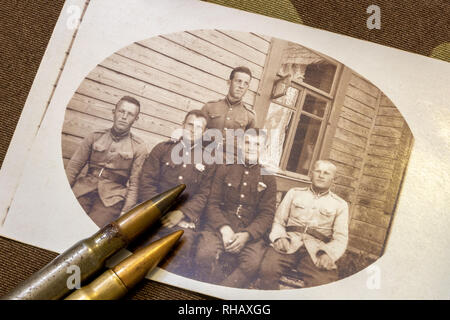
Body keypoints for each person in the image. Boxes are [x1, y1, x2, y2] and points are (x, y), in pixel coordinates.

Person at [194, 129, 277, 288]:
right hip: (218, 227)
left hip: (249, 232)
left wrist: (247, 234)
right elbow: (212, 202)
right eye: (247, 142)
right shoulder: (225, 167)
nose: (251, 147)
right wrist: (224, 228)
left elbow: (267, 213)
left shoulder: (268, 177)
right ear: (240, 144)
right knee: (205, 254)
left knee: (252, 263)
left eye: (257, 144)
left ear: (264, 148)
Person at [138, 109, 215, 277]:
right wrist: (160, 210)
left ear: (205, 133)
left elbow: (203, 194)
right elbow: (146, 182)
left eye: (199, 127)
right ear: (182, 126)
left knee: (183, 245)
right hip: (153, 213)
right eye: (190, 125)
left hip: (182, 220)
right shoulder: (163, 149)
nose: (193, 130)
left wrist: (181, 214)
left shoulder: (207, 160)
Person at [258, 160, 349, 289]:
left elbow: (340, 237)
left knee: (322, 283)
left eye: (326, 173)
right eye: (318, 171)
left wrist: (328, 254)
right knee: (267, 269)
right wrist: (279, 237)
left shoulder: (340, 205)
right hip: (289, 243)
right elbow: (278, 221)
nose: (321, 175)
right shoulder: (294, 193)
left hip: (316, 251)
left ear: (333, 179)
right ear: (311, 174)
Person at [66, 96, 147, 227]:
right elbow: (74, 165)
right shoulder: (95, 136)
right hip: (83, 189)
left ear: (135, 119)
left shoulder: (139, 147)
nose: (124, 117)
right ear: (114, 112)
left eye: (130, 114)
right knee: (67, 220)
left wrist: (126, 211)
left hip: (112, 198)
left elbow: (135, 182)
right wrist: (64, 190)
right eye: (121, 111)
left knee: (92, 227)